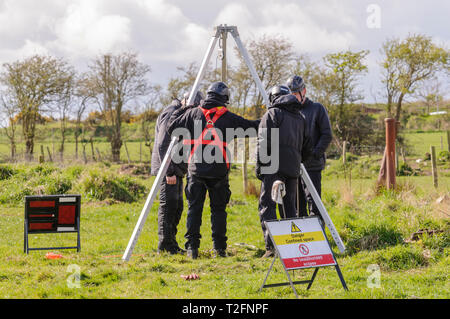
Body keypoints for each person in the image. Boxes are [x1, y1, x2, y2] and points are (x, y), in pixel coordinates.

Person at [167, 81, 259, 259]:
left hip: (196, 171)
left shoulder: (192, 114)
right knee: (218, 210)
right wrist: (270, 117)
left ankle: (191, 249)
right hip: (218, 172)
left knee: (194, 209)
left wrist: (184, 108)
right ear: (224, 99)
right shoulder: (229, 118)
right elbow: (253, 128)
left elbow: (171, 127)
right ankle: (219, 249)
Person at [256, 85, 312, 258]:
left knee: (268, 205)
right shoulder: (300, 117)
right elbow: (307, 145)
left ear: (273, 98)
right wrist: (297, 161)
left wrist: (260, 168)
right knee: (289, 207)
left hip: (273, 167)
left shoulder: (272, 114)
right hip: (292, 169)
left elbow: (263, 143)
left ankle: (271, 248)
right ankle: (292, 246)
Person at [151, 91, 204, 254]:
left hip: (176, 168)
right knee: (169, 206)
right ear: (187, 102)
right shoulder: (171, 112)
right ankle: (165, 245)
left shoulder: (177, 111)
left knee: (177, 206)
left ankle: (171, 243)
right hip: (168, 169)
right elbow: (163, 144)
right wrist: (169, 172)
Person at [286, 75, 332, 217]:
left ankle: (319, 235)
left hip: (312, 165)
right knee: (297, 204)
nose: (293, 97)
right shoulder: (288, 111)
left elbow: (327, 134)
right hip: (294, 165)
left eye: (296, 93)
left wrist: (315, 153)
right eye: (291, 94)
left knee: (314, 202)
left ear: (303, 91)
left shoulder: (317, 109)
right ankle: (302, 236)